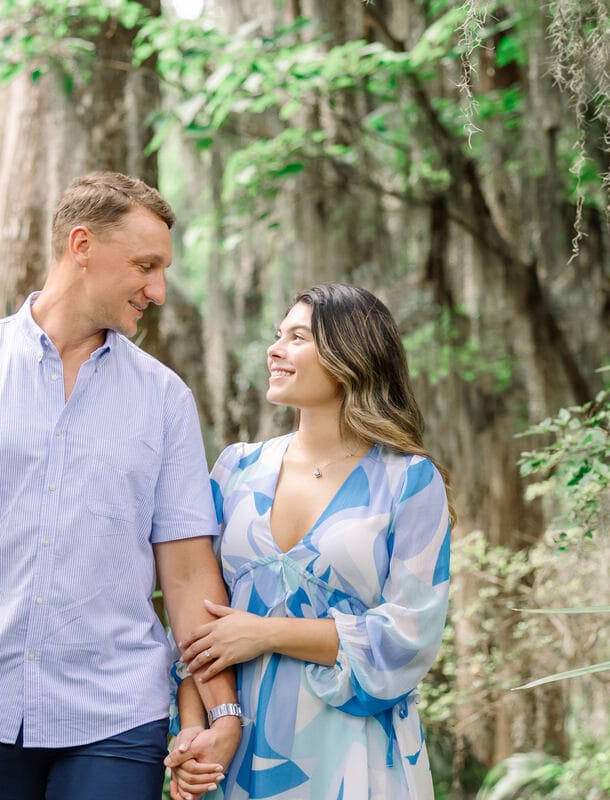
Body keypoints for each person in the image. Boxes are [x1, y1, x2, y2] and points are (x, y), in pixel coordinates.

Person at [0, 172, 241, 800]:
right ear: (81, 245)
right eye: (145, 266)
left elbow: (186, 577)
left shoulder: (165, 401)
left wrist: (221, 713)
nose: (157, 290)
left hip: (117, 718)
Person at [165, 283, 452, 800]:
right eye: (278, 335)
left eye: (297, 337)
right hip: (236, 742)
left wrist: (267, 633)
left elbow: (409, 635)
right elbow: (195, 619)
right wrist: (193, 728)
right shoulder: (235, 468)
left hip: (351, 750)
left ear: (352, 354)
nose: (275, 350)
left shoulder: (409, 480)